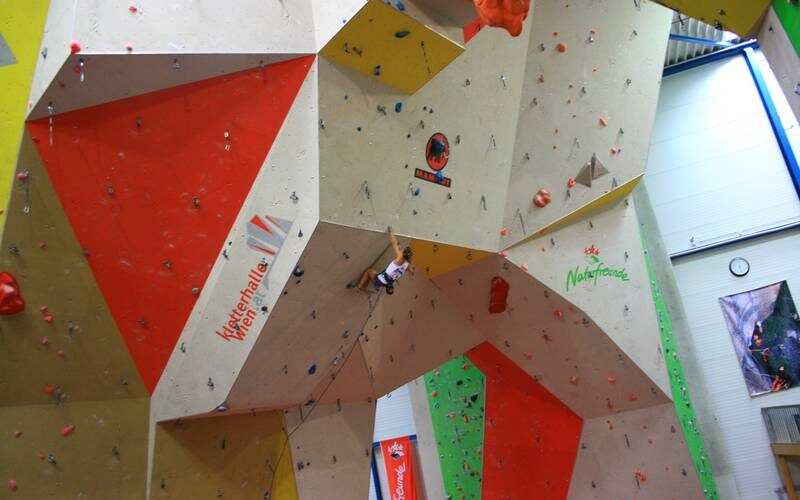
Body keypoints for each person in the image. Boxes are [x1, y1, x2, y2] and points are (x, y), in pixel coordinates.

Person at [353, 227, 414, 295]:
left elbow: (394, 242)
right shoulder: (408, 265)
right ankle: (376, 285)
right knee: (380, 277)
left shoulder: (400, 257)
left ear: (404, 254)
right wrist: (408, 265)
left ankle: (358, 287)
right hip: (387, 282)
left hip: (381, 280)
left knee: (369, 271)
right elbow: (412, 272)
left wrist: (391, 232)